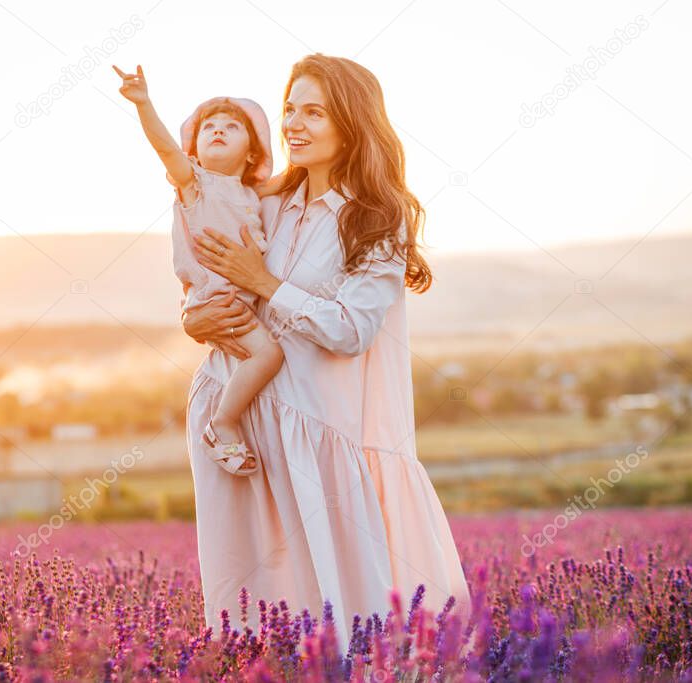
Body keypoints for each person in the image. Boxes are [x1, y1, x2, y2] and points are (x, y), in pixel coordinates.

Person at [181, 53, 472, 649]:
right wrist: (194, 319)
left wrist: (264, 282)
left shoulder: (372, 221)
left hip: (316, 438)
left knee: (350, 618)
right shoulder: (262, 199)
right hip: (231, 424)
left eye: (313, 112)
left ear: (351, 123)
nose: (293, 124)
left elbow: (351, 329)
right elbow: (208, 281)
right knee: (247, 611)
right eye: (290, 109)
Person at [114, 64, 285, 477]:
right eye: (209, 126)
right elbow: (165, 148)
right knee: (269, 354)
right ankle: (222, 424)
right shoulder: (195, 184)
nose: (218, 130)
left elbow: (296, 177)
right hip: (217, 300)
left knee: (257, 358)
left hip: (238, 301)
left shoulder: (249, 191)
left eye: (231, 126)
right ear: (194, 150)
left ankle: (234, 425)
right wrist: (143, 104)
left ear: (251, 155)